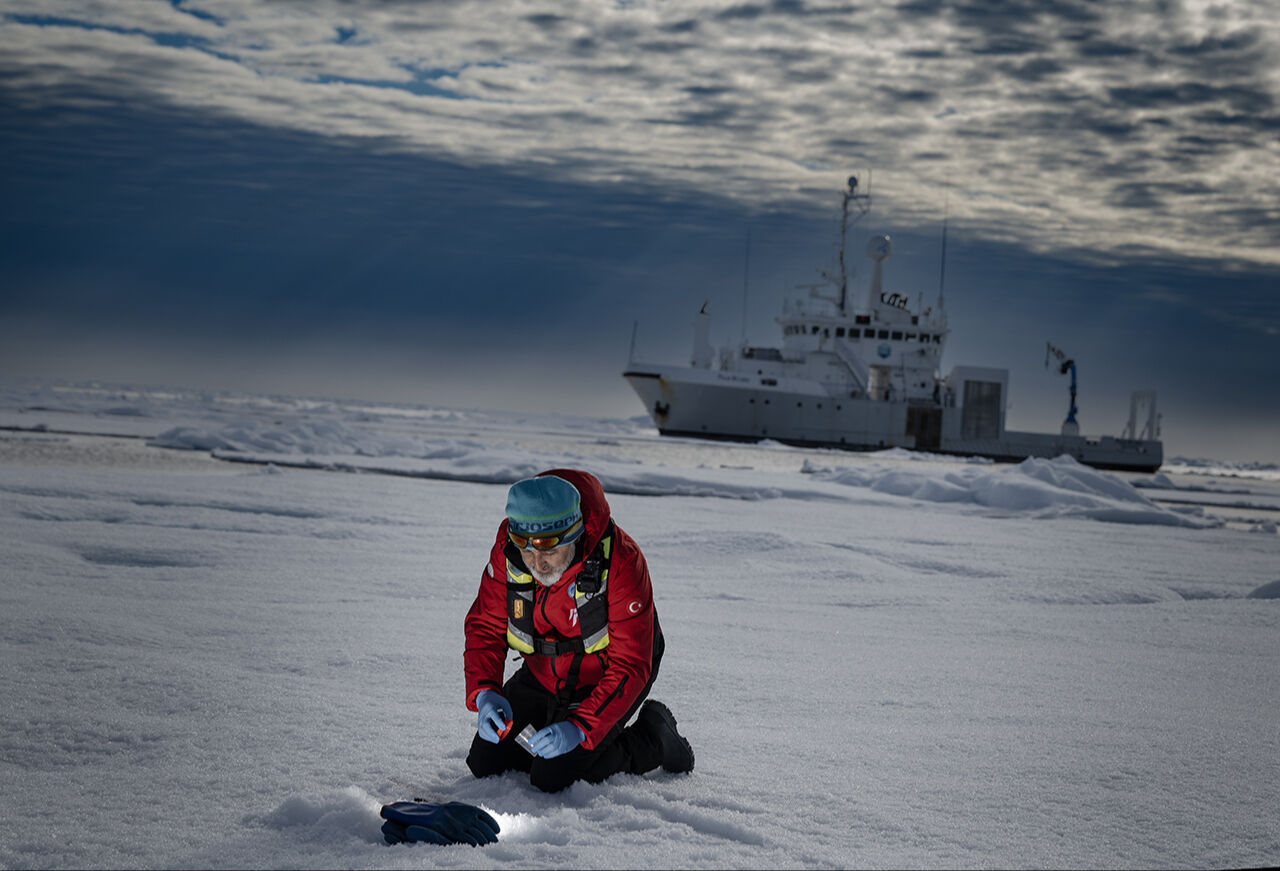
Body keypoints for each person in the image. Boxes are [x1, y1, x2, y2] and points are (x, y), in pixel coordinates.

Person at [463, 468, 693, 793]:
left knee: (552, 776)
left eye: (549, 552)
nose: (537, 564)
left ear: (575, 534)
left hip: (610, 674)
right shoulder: (508, 552)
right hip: (542, 672)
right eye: (528, 551)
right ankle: (555, 731)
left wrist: (580, 728)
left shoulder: (623, 562)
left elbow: (631, 665)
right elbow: (485, 626)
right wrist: (485, 691)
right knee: (486, 762)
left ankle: (654, 738)